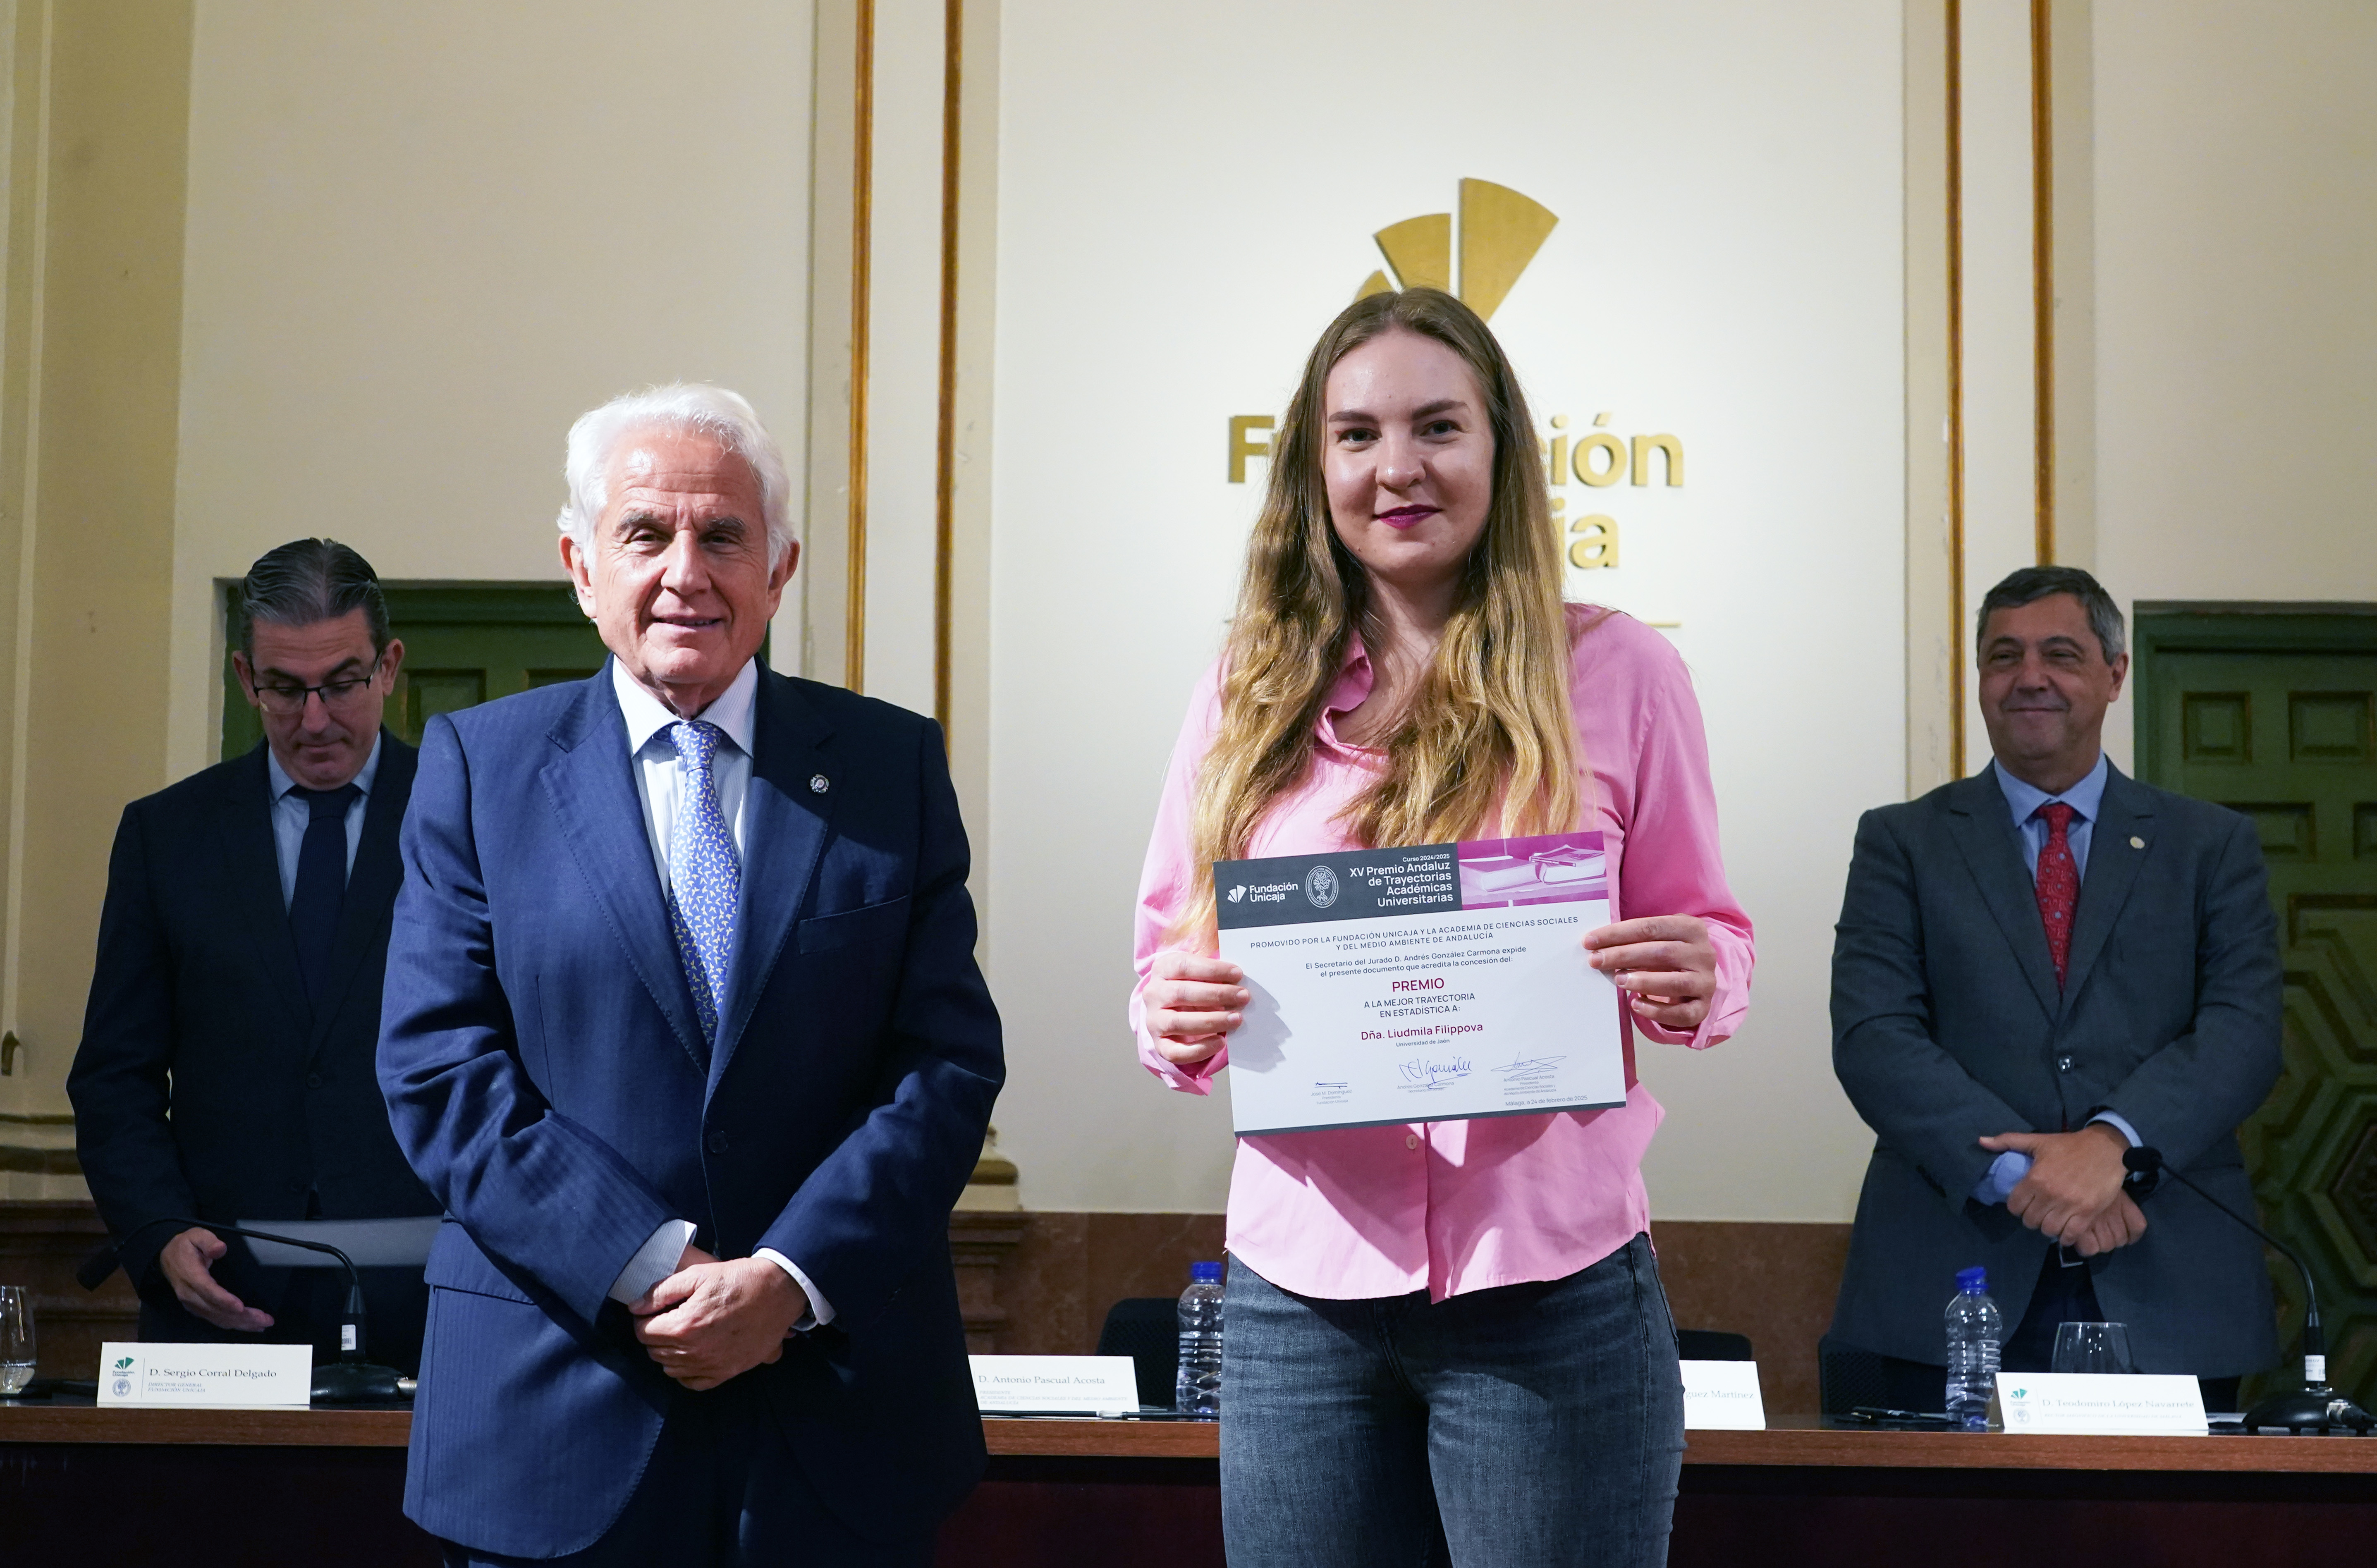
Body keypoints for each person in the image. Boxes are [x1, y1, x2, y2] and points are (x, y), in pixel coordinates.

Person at [1131, 288, 1755, 1568]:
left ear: (1499, 449)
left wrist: (1700, 974)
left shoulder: (1621, 672)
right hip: (1300, 1300)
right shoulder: (1242, 692)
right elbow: (1164, 965)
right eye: (1356, 435)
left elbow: (1708, 930)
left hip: (1549, 1287)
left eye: (1436, 427)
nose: (1396, 468)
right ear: (1313, 468)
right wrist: (1173, 1014)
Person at [378, 384, 1002, 1566]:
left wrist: (789, 1279)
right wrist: (653, 1264)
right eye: (644, 534)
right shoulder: (478, 768)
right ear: (580, 566)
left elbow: (945, 1067)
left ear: (780, 569)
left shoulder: (890, 767)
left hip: (832, 1422)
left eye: (723, 536)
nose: (685, 573)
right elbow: (439, 1067)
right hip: (554, 1416)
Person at [1828, 565, 2281, 1410]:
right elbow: (1874, 1038)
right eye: (2005, 657)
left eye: (2060, 655)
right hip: (1953, 1276)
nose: (2029, 677)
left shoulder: (2209, 845)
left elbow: (2245, 1032)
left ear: (2115, 673)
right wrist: (2026, 1180)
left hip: (2169, 1277)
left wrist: (2113, 1147)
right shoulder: (1901, 842)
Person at [70, 538, 435, 1370]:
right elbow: (114, 1075)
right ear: (245, 678)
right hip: (218, 1301)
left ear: (388, 668)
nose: (315, 720)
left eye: (341, 683)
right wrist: (157, 1229)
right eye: (285, 689)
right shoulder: (167, 836)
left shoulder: (468, 818)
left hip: (429, 1303)